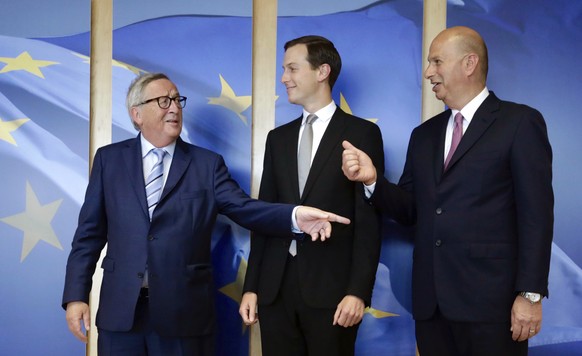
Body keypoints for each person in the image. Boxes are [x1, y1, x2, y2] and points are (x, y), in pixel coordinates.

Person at [62, 72, 352, 356]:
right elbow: (88, 235)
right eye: (164, 101)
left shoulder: (206, 164)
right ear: (137, 113)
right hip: (121, 314)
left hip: (183, 315)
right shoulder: (108, 160)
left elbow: (245, 208)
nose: (174, 107)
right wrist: (76, 295)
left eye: (177, 100)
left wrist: (295, 216)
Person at [341, 26, 553, 355]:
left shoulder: (520, 123)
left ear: (469, 63)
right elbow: (411, 210)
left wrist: (530, 295)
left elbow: (536, 215)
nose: (428, 72)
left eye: (437, 61)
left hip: (493, 306)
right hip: (432, 306)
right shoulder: (424, 135)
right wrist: (372, 181)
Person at [239, 35, 385, 356]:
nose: (283, 78)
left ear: (322, 72)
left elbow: (369, 220)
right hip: (274, 291)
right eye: (283, 69)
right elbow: (265, 217)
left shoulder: (362, 134)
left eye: (292, 68)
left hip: (333, 294)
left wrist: (358, 292)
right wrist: (251, 288)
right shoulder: (278, 139)